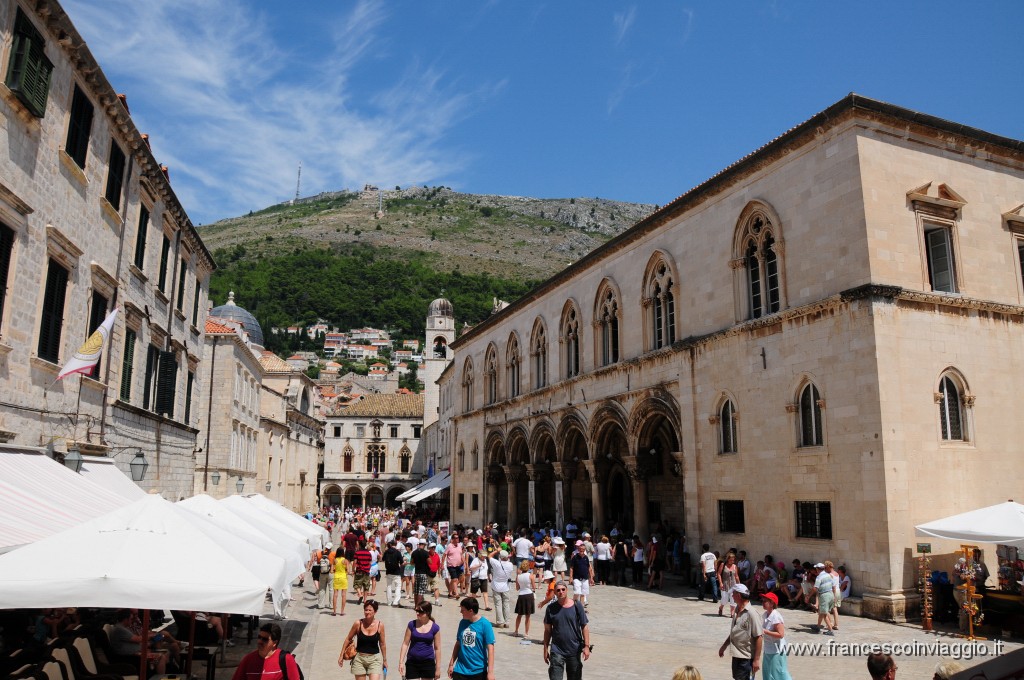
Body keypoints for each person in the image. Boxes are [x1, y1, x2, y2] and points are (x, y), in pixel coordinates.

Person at [542, 580, 590, 680]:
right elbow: (547, 631)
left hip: (574, 650)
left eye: (563, 589)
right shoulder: (551, 608)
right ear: (555, 592)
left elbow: (584, 626)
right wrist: (545, 649)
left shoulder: (577, 606)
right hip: (557, 650)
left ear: (567, 590)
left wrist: (586, 646)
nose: (561, 592)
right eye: (558, 590)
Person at [717, 584, 762, 680]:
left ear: (739, 595)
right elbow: (734, 633)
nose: (732, 596)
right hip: (736, 655)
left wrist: (757, 660)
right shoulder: (737, 610)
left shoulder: (752, 613)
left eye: (733, 594)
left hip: (747, 658)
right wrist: (724, 646)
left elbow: (759, 637)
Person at [447, 597, 496, 680]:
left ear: (471, 611)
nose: (460, 612)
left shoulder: (485, 624)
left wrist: (490, 672)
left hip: (478, 670)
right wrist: (451, 664)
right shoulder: (462, 622)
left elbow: (490, 649)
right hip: (460, 669)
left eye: (463, 610)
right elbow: (458, 643)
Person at [109, 609, 169, 675]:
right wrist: (152, 636)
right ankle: (159, 676)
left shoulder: (122, 628)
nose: (131, 621)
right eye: (131, 619)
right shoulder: (120, 629)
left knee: (162, 643)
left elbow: (136, 639)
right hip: (131, 657)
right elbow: (138, 639)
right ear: (126, 619)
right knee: (161, 656)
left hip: (137, 652)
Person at [232, 622, 300, 680]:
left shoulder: (287, 659)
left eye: (265, 639)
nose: (260, 641)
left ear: (274, 643)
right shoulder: (248, 660)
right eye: (259, 637)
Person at [339, 599, 387, 680]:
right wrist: (341, 656)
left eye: (370, 610)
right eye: (366, 610)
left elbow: (382, 644)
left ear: (375, 612)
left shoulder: (380, 625)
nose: (367, 612)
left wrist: (385, 660)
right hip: (359, 659)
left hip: (374, 659)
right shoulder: (358, 623)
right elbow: (348, 639)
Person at [399, 602, 441, 680]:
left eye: (420, 612)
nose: (417, 613)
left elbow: (437, 648)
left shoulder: (435, 627)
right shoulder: (411, 624)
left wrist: (438, 668)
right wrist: (401, 662)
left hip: (428, 662)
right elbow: (405, 643)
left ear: (427, 612)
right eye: (416, 611)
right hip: (412, 662)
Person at [760, 593, 792, 680]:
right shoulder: (765, 615)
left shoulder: (776, 616)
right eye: (762, 601)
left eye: (765, 601)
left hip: (777, 650)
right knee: (767, 673)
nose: (763, 602)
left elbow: (781, 634)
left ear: (772, 603)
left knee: (779, 673)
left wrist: (765, 631)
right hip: (768, 649)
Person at [488, 549, 515, 629]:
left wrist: (496, 550)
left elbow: (489, 556)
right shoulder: (510, 564)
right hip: (506, 586)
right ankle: (507, 622)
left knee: (498, 604)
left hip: (496, 586)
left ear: (500, 557)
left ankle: (500, 622)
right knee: (506, 604)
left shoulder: (497, 563)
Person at [513, 560, 536, 640]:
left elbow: (517, 588)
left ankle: (516, 631)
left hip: (521, 595)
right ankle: (526, 633)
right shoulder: (531, 575)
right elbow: (534, 587)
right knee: (528, 616)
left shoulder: (518, 576)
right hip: (529, 595)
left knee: (519, 615)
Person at [811, 561, 836, 635]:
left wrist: (809, 595)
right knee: (821, 612)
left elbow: (815, 588)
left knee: (824, 614)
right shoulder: (829, 575)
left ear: (817, 569)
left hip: (824, 596)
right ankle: (818, 626)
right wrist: (834, 597)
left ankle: (830, 630)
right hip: (830, 594)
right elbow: (833, 586)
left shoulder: (819, 577)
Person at [569, 540, 594, 607]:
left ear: (585, 550)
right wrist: (570, 577)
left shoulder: (586, 557)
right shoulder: (575, 557)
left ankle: (581, 607)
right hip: (576, 577)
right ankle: (572, 604)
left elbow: (589, 568)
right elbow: (571, 568)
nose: (581, 551)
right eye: (580, 549)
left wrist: (591, 578)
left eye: (583, 549)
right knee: (577, 592)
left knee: (583, 593)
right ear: (578, 549)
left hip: (585, 578)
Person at [468, 547, 492, 611]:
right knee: (474, 593)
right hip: (476, 578)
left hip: (484, 578)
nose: (484, 557)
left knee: (485, 592)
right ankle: (473, 606)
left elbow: (486, 569)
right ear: (480, 555)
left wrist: (488, 577)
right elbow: (470, 568)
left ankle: (487, 606)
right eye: (483, 556)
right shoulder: (476, 560)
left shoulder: (485, 560)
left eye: (485, 556)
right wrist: (478, 565)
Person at [384, 539, 405, 607]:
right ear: (396, 544)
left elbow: (383, 559)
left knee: (389, 586)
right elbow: (401, 562)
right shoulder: (397, 552)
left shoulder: (386, 552)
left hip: (388, 571)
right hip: (396, 571)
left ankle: (389, 602)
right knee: (398, 587)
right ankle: (396, 601)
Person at [718, 552, 739, 617]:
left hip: (733, 584)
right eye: (731, 560)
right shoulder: (723, 565)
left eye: (733, 560)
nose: (732, 561)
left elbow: (736, 576)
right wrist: (720, 583)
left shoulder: (735, 566)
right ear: (727, 559)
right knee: (724, 599)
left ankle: (732, 612)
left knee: (733, 599)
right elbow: (718, 574)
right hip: (725, 584)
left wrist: (739, 585)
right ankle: (721, 607)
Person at [412, 540, 432, 608]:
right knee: (421, 591)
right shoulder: (425, 553)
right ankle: (418, 607)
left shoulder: (414, 552)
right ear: (424, 545)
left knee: (416, 591)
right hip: (423, 573)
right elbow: (430, 562)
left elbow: (412, 562)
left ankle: (415, 605)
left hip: (416, 573)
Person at [354, 540, 374, 605]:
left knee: (356, 584)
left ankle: (360, 594)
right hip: (366, 571)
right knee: (366, 586)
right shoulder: (368, 553)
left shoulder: (357, 552)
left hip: (359, 570)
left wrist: (353, 569)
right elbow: (370, 562)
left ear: (359, 545)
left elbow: (355, 562)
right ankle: (365, 600)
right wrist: (368, 568)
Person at [334, 548, 351, 616]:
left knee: (335, 595)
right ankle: (342, 611)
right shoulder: (345, 560)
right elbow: (348, 571)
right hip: (343, 577)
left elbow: (332, 570)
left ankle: (334, 611)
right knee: (343, 595)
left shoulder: (335, 560)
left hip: (336, 577)